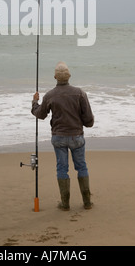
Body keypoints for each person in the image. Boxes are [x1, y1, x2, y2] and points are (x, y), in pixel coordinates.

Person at [32, 62, 94, 211]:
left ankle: (65, 204)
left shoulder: (50, 95)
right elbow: (89, 121)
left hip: (58, 137)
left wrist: (34, 102)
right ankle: (87, 203)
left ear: (55, 77)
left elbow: (40, 114)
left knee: (62, 169)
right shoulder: (80, 93)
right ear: (69, 76)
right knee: (81, 167)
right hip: (77, 137)